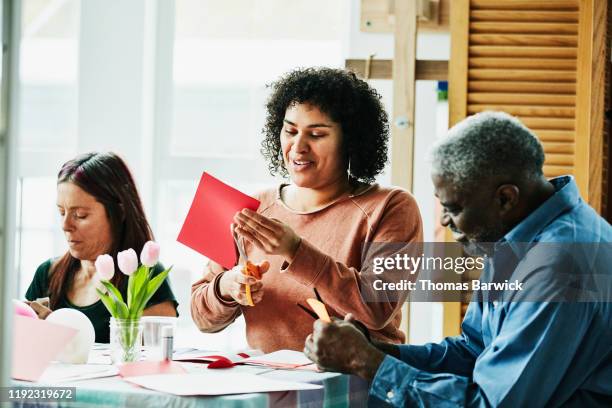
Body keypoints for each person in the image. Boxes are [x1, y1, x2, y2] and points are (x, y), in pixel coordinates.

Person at [304, 111, 612, 407]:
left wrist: (367, 362)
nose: (446, 223)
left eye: (453, 209)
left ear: (505, 198)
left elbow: (490, 404)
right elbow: (473, 352)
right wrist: (375, 351)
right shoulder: (515, 237)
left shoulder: (559, 266)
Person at [190, 67, 423, 352]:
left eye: (316, 134)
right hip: (268, 385)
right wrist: (227, 286)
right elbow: (201, 317)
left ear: (350, 141)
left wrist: (296, 250)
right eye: (290, 131)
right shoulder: (249, 208)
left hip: (354, 386)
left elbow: (377, 308)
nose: (298, 147)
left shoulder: (392, 206)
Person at [26, 152, 178, 343]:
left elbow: (153, 360)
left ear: (119, 211)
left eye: (80, 215)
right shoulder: (47, 274)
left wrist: (57, 328)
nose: (65, 225)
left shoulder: (146, 276)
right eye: (61, 212)